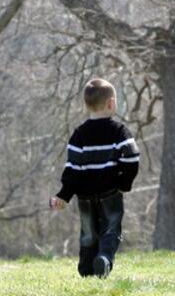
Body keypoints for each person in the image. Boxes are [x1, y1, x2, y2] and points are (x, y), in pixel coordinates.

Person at [50, 78, 139, 278]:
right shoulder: (119, 131)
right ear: (110, 103)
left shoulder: (78, 135)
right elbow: (133, 159)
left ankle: (86, 269)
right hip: (111, 193)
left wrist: (64, 195)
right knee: (110, 231)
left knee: (88, 233)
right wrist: (124, 183)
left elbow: (71, 169)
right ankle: (104, 259)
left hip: (85, 197)